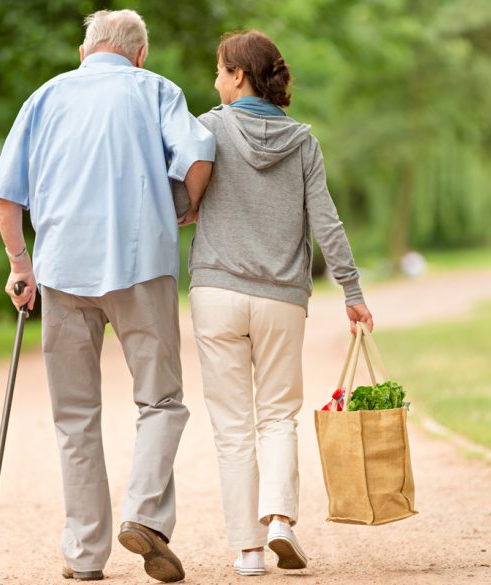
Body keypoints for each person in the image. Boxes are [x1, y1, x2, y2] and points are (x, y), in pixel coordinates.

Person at [0, 9, 214, 583]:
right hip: (141, 266)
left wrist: (21, 265)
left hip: (63, 272)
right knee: (161, 401)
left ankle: (85, 555)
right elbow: (200, 155)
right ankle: (144, 515)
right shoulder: (157, 90)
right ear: (139, 54)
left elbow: (5, 197)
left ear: (84, 51)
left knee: (74, 416)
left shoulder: (45, 97)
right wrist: (183, 208)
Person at [186, 30, 374, 577]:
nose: (216, 81)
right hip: (281, 301)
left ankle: (247, 551)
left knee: (232, 427)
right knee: (276, 418)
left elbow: (182, 199)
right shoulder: (303, 142)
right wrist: (352, 292)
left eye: (221, 71)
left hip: (217, 292)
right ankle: (281, 523)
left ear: (239, 76)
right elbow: (327, 225)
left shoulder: (209, 128)